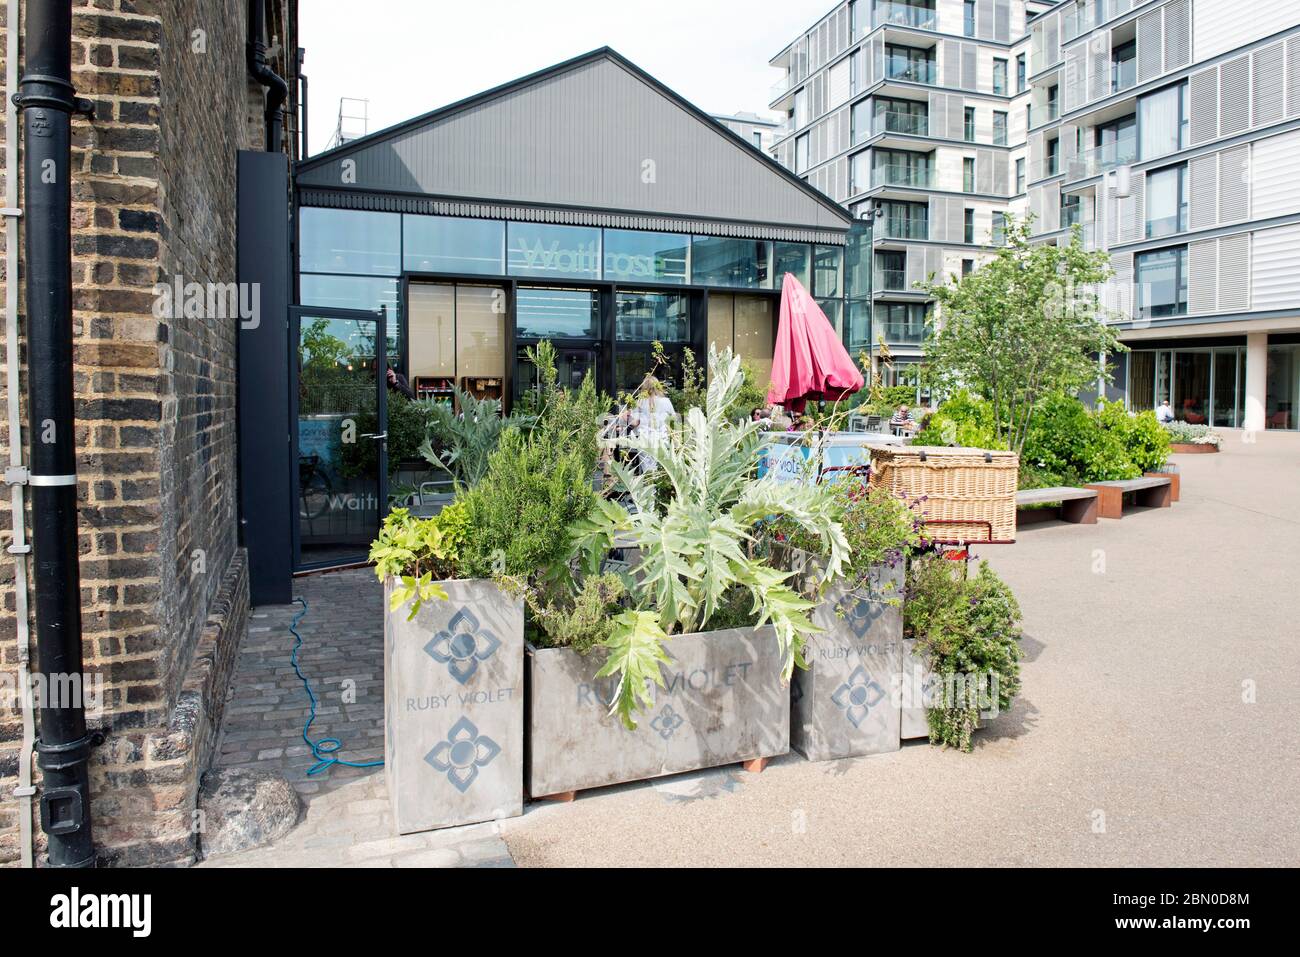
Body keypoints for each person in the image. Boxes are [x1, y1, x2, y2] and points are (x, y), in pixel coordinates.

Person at [632, 375, 675, 473]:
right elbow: (673, 419)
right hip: (662, 439)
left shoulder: (640, 401)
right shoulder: (666, 401)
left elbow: (635, 422)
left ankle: (650, 487)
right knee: (661, 471)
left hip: (645, 439)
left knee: (647, 471)